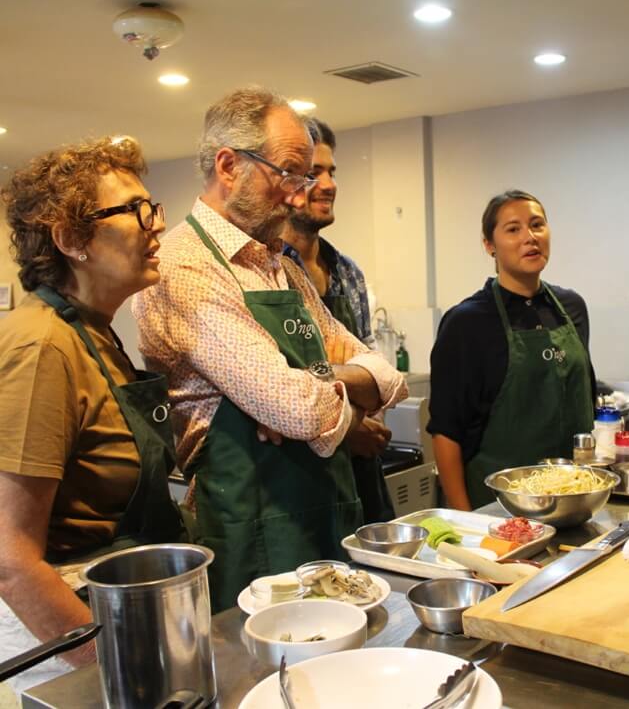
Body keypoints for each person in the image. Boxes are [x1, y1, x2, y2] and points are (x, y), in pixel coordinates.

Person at [132, 87, 407, 611]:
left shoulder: (276, 263)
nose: (298, 193)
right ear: (229, 164)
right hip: (250, 530)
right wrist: (316, 394)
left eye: (303, 177)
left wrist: (318, 381)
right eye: (288, 173)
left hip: (322, 513)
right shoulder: (184, 266)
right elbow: (297, 409)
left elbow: (384, 373)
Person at [0, 137, 184, 694]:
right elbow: (11, 557)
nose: (156, 225)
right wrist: (113, 660)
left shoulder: (96, 333)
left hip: (105, 613)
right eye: (134, 211)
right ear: (71, 239)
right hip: (59, 640)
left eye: (152, 207)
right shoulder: (42, 348)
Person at [428, 190, 597, 510]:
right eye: (513, 229)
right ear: (489, 245)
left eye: (537, 225)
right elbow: (446, 432)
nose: (529, 237)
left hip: (574, 501)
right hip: (496, 509)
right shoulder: (467, 323)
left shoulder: (572, 308)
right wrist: (466, 522)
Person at [281, 118, 395, 524]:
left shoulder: (346, 271)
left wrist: (364, 421)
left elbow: (376, 373)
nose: (328, 185)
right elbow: (285, 391)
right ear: (285, 181)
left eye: (331, 172)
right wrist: (348, 424)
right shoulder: (267, 272)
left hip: (364, 474)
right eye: (313, 174)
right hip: (299, 484)